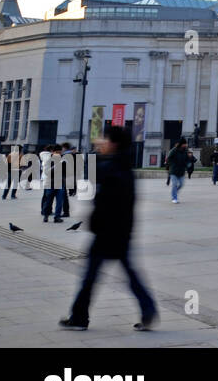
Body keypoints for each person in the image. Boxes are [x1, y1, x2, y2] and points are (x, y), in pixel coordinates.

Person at [59, 124, 158, 331]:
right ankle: (148, 310)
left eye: (104, 139)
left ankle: (78, 318)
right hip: (119, 231)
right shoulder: (122, 165)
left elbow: (106, 200)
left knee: (90, 276)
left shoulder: (112, 167)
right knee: (128, 275)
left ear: (113, 143)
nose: (100, 142)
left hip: (107, 232)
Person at [41, 145, 65, 223]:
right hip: (50, 183)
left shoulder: (62, 160)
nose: (59, 154)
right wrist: (56, 166)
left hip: (60, 183)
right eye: (57, 152)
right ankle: (46, 215)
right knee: (48, 201)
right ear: (53, 152)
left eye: (60, 152)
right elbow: (47, 172)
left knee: (59, 201)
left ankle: (57, 217)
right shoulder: (48, 160)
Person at [167, 138, 191, 203]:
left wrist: (188, 164)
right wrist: (173, 164)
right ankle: (174, 198)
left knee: (181, 184)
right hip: (174, 171)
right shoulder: (174, 150)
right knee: (174, 184)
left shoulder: (185, 151)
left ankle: (174, 191)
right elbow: (169, 159)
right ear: (181, 144)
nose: (186, 145)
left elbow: (188, 159)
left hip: (181, 171)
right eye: (185, 144)